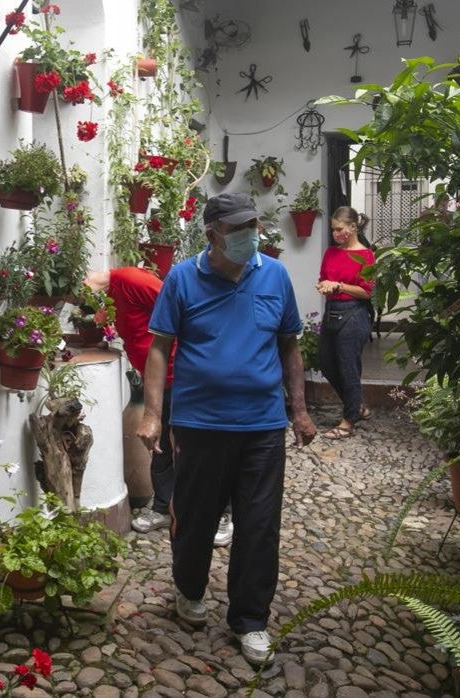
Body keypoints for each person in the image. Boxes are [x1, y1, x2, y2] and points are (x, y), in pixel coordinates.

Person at [137, 192, 316, 665]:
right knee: (196, 519)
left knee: (259, 525)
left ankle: (251, 619)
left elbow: (289, 346)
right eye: (238, 229)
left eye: (252, 226)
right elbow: (159, 349)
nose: (249, 236)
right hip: (199, 425)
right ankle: (189, 590)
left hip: (262, 426)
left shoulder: (275, 274)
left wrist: (298, 410)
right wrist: (153, 413)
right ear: (212, 234)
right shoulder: (182, 278)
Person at [83, 268, 235, 546]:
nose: (80, 300)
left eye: (79, 292)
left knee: (201, 446)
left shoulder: (130, 279)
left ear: (87, 278)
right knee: (160, 443)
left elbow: (180, 307)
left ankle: (221, 513)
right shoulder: (108, 298)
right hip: (157, 379)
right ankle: (164, 506)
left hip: (184, 373)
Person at [315, 206, 376, 439]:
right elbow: (323, 279)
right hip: (332, 311)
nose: (335, 234)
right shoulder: (331, 253)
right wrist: (325, 286)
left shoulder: (366, 256)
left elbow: (366, 292)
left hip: (354, 314)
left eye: (339, 229)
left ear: (353, 227)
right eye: (333, 230)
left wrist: (338, 286)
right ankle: (357, 405)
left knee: (348, 366)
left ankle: (348, 421)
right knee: (326, 362)